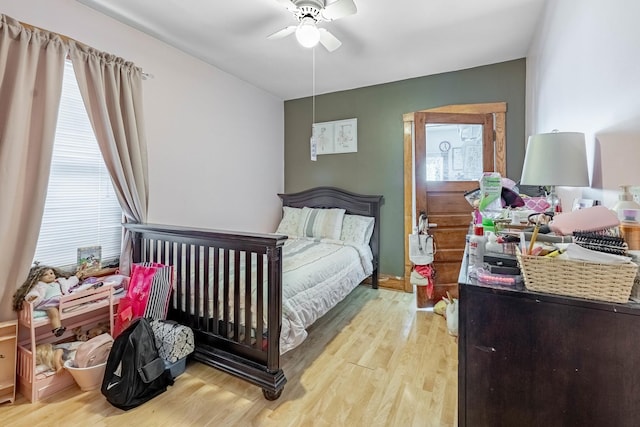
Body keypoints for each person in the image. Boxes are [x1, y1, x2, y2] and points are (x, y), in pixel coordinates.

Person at [12, 264, 83, 337]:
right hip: (48, 303)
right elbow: (34, 292)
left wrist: (76, 277)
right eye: (45, 275)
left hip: (61, 301)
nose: (50, 275)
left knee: (71, 302)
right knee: (53, 312)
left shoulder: (59, 282)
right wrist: (32, 297)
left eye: (51, 273)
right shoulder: (40, 285)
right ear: (39, 278)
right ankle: (57, 328)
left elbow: (70, 282)